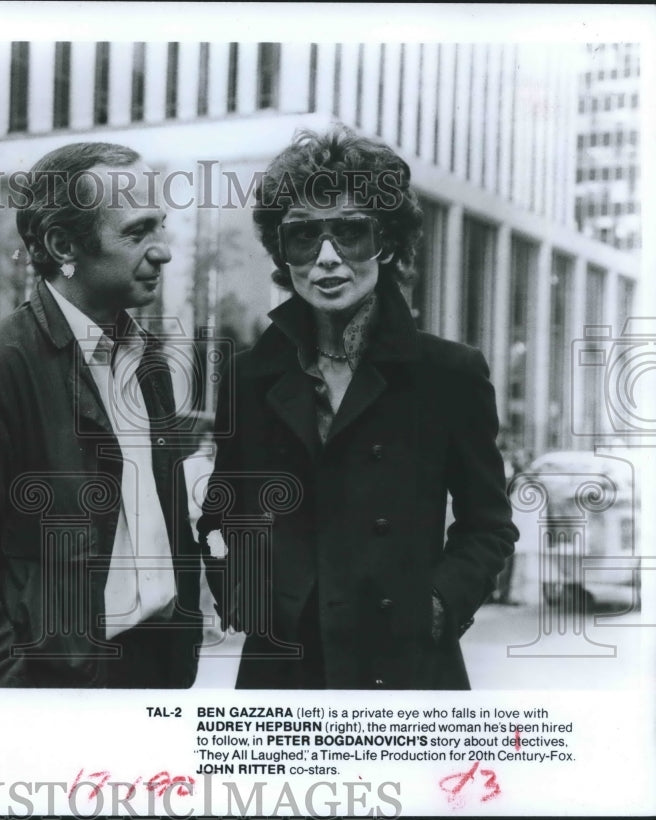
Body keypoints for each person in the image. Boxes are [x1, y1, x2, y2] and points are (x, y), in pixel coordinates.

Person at [199, 126, 519, 690]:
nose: (327, 259)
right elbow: (224, 515)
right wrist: (242, 593)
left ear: (387, 243)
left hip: (405, 663)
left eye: (350, 232)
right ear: (282, 251)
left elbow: (488, 527)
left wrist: (439, 604)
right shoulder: (251, 376)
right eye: (304, 237)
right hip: (284, 668)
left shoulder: (448, 374)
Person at [0, 142, 204, 687]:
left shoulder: (147, 360)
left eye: (160, 226)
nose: (163, 252)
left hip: (157, 675)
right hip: (55, 692)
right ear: (64, 245)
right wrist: (13, 702)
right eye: (136, 233)